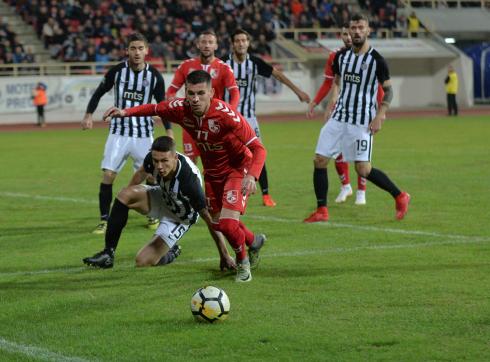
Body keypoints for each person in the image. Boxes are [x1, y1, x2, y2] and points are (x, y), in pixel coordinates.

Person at [103, 70, 267, 283]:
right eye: (191, 93)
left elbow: (258, 148)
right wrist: (125, 112)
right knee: (219, 223)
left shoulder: (226, 115)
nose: (195, 99)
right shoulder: (180, 109)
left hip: (237, 169)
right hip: (212, 173)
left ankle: (243, 263)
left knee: (226, 224)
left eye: (201, 93)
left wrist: (252, 176)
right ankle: (253, 241)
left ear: (212, 92)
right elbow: (153, 108)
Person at [303, 13, 410, 223]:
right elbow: (336, 82)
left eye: (361, 27)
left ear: (368, 30)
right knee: (320, 159)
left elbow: (388, 92)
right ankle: (322, 210)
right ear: (349, 31)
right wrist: (329, 104)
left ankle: (400, 195)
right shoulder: (341, 57)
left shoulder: (377, 60)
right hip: (339, 117)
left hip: (362, 121)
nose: (357, 31)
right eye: (354, 28)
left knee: (363, 169)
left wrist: (381, 114)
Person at [82, 136, 236, 270]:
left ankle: (171, 251)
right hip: (163, 197)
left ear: (175, 157)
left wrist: (224, 255)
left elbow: (209, 220)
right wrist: (124, 203)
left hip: (180, 217)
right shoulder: (152, 159)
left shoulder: (189, 180)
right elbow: (141, 172)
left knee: (142, 261)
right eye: (156, 161)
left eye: (164, 161)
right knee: (124, 194)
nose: (160, 166)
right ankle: (108, 254)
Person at [81, 33, 174, 235]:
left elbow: (162, 107)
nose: (137, 52)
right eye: (133, 48)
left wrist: (169, 130)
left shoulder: (154, 76)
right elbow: (99, 92)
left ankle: (152, 214)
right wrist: (89, 114)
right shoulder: (117, 72)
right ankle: (104, 220)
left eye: (141, 48)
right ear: (127, 51)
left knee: (152, 175)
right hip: (119, 134)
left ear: (147, 51)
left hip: (143, 134)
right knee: (108, 175)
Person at [223, 28, 310, 207]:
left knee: (257, 154)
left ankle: (266, 195)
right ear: (232, 44)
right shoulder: (223, 63)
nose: (240, 43)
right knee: (223, 156)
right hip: (227, 118)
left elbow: (277, 74)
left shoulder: (254, 63)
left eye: (243, 40)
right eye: (237, 40)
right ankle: (224, 192)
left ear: (248, 43)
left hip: (249, 118)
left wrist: (298, 91)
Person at [307, 24, 385, 206]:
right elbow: (330, 83)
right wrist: (317, 102)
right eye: (345, 33)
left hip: (362, 115)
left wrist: (381, 112)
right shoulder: (337, 57)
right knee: (334, 154)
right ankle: (345, 187)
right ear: (343, 35)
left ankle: (361, 192)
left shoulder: (371, 57)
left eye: (352, 32)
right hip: (341, 113)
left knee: (361, 162)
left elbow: (379, 86)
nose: (349, 37)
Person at [166, 30, 239, 164]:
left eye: (210, 42)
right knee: (190, 162)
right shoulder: (186, 66)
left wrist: (231, 111)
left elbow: (235, 92)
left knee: (215, 162)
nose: (207, 45)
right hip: (190, 122)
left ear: (216, 46)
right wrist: (177, 107)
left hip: (214, 122)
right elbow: (171, 91)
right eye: (204, 42)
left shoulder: (224, 68)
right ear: (198, 45)